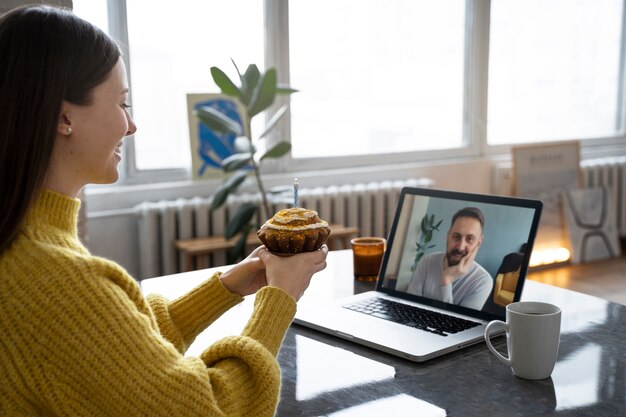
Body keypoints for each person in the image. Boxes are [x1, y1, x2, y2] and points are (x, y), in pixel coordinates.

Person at [0, 5, 327, 416]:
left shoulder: (24, 246)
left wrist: (224, 287)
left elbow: (113, 355)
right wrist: (279, 299)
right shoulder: (58, 278)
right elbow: (213, 409)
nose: (131, 127)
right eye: (122, 104)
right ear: (64, 116)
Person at [406, 207, 493, 309]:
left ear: (478, 243)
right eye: (456, 237)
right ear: (448, 236)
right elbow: (409, 305)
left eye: (470, 239)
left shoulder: (483, 281)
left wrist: (446, 280)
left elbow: (458, 324)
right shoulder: (427, 261)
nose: (460, 247)